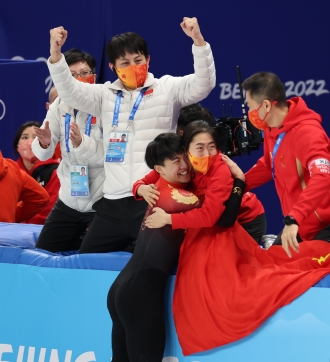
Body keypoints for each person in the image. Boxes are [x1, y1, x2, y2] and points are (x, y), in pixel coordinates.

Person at [46, 18, 216, 253]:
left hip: (153, 197)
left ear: (148, 59)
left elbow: (203, 84)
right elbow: (69, 91)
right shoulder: (104, 95)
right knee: (87, 264)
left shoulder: (167, 88)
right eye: (125, 62)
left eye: (138, 60)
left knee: (155, 266)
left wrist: (198, 41)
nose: (133, 66)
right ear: (114, 67)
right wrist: (56, 53)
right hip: (113, 203)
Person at [238, 71, 330, 257]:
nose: (249, 113)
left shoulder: (307, 133)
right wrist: (237, 185)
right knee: (266, 265)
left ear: (267, 105)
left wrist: (294, 218)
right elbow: (268, 164)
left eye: (250, 106)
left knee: (290, 272)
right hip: (303, 227)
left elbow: (322, 177)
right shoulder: (273, 128)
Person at [107, 133, 200, 362]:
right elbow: (216, 209)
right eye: (176, 161)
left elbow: (143, 181)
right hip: (140, 295)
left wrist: (139, 186)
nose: (185, 165)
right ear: (159, 169)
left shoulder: (155, 186)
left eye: (185, 158)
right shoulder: (182, 198)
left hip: (122, 288)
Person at [135, 121, 266, 241]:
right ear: (187, 149)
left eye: (211, 146)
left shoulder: (220, 169)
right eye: (199, 148)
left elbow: (212, 216)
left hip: (244, 220)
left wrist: (168, 219)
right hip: (216, 219)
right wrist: (140, 189)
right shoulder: (186, 160)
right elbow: (147, 179)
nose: (207, 154)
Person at [32, 48, 106, 251]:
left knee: (93, 257)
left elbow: (113, 154)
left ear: (94, 76)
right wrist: (45, 143)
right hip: (69, 200)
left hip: (104, 200)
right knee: (43, 253)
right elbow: (41, 154)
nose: (79, 79)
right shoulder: (59, 106)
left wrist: (83, 143)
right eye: (72, 75)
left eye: (84, 73)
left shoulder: (107, 104)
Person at [14, 121, 60, 224]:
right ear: (17, 146)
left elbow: (50, 209)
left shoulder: (55, 172)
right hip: (10, 232)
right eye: (25, 137)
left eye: (35, 137)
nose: (30, 142)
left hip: (41, 232)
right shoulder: (10, 172)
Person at [0, 151, 49, 223]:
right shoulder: (13, 170)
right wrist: (9, 214)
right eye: (25, 138)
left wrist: (11, 213)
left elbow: (41, 198)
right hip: (6, 232)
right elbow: (41, 198)